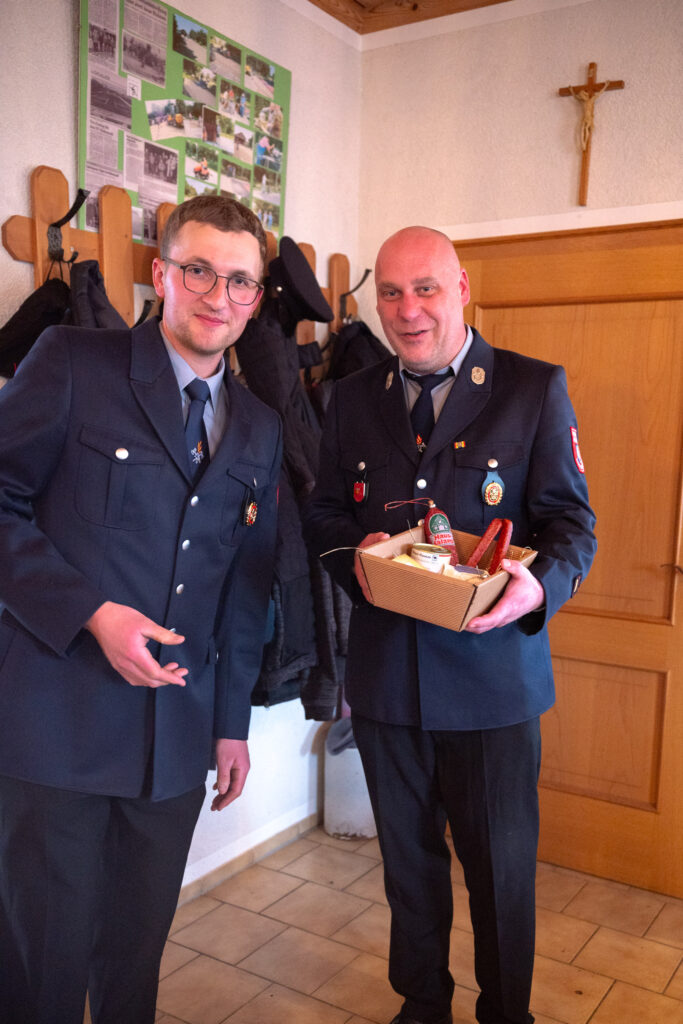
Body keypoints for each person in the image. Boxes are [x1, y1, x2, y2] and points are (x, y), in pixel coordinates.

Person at [0, 195, 282, 1023]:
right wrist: (91, 611)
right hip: (56, 726)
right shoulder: (74, 361)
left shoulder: (260, 425)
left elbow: (244, 588)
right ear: (161, 275)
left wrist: (230, 725)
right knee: (42, 967)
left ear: (257, 297)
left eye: (239, 280)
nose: (217, 296)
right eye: (198, 271)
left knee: (133, 963)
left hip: (174, 743)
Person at [303, 226, 596, 1024]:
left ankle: (506, 1012)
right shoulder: (349, 398)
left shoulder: (531, 389)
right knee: (408, 869)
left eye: (425, 289)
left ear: (461, 288)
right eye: (390, 293)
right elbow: (322, 514)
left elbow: (572, 526)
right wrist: (357, 558)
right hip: (388, 685)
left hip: (493, 686)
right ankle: (422, 1004)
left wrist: (537, 590)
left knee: (500, 872)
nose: (408, 311)